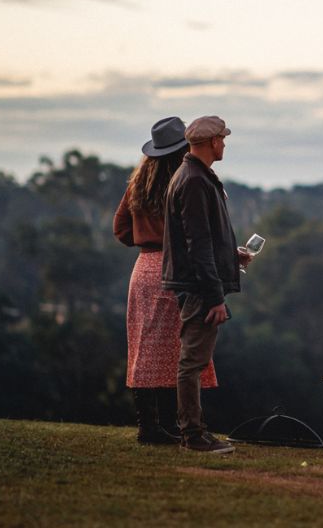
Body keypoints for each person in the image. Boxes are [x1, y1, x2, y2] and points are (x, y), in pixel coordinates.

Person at [113, 116, 218, 445]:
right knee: (181, 350)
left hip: (143, 270)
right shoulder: (185, 181)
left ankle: (149, 424)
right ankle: (180, 424)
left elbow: (121, 229)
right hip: (174, 269)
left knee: (144, 348)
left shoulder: (138, 183)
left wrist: (145, 241)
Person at [163, 115, 251, 453]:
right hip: (201, 289)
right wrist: (215, 297)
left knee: (194, 361)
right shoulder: (195, 181)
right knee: (192, 362)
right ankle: (194, 435)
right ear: (212, 142)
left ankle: (195, 432)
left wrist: (232, 255)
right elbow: (197, 245)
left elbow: (206, 240)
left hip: (201, 285)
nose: (225, 144)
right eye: (222, 139)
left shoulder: (194, 176)